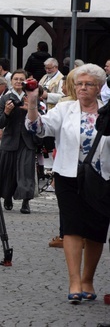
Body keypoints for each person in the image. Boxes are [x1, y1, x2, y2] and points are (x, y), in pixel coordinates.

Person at [25, 63, 110, 304]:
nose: (83, 88)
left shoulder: (107, 111)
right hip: (68, 175)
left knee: (96, 229)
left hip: (102, 177)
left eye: (89, 84)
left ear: (99, 87)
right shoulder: (64, 109)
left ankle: (88, 280)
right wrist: (32, 104)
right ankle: (74, 281)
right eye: (79, 84)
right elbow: (38, 128)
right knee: (72, 227)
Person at [0, 70, 36, 214]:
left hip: (27, 140)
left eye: (21, 79)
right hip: (10, 138)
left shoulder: (31, 96)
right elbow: (0, 123)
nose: (18, 81)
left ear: (26, 81)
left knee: (26, 171)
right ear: (11, 82)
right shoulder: (5, 98)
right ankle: (7, 197)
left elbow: (40, 118)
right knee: (8, 171)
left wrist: (30, 108)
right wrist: (7, 112)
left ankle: (26, 202)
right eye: (16, 79)